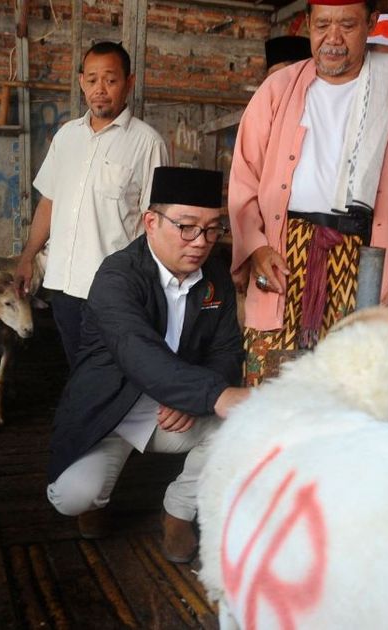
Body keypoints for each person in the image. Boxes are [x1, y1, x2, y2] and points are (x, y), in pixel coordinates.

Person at [46, 166, 250, 563]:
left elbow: (226, 350)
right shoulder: (117, 276)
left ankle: (179, 510)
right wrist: (209, 393)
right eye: (187, 227)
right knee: (72, 497)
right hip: (111, 410)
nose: (201, 242)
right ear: (151, 222)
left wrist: (195, 397)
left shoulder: (215, 276)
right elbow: (136, 352)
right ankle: (94, 500)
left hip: (174, 407)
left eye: (212, 229)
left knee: (243, 426)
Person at [230, 0, 388, 386]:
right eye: (322, 25)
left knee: (350, 385)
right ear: (307, 23)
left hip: (365, 255)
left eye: (347, 25)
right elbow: (244, 177)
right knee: (271, 383)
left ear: (371, 23)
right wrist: (256, 248)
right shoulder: (278, 88)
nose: (333, 39)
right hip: (282, 252)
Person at [14, 41, 168, 371]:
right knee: (79, 370)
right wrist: (27, 257)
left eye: (111, 80)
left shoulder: (147, 143)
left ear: (129, 83)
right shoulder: (67, 137)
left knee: (115, 372)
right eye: (93, 79)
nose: (100, 89)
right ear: (82, 81)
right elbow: (49, 203)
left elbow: (158, 223)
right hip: (65, 286)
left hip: (116, 290)